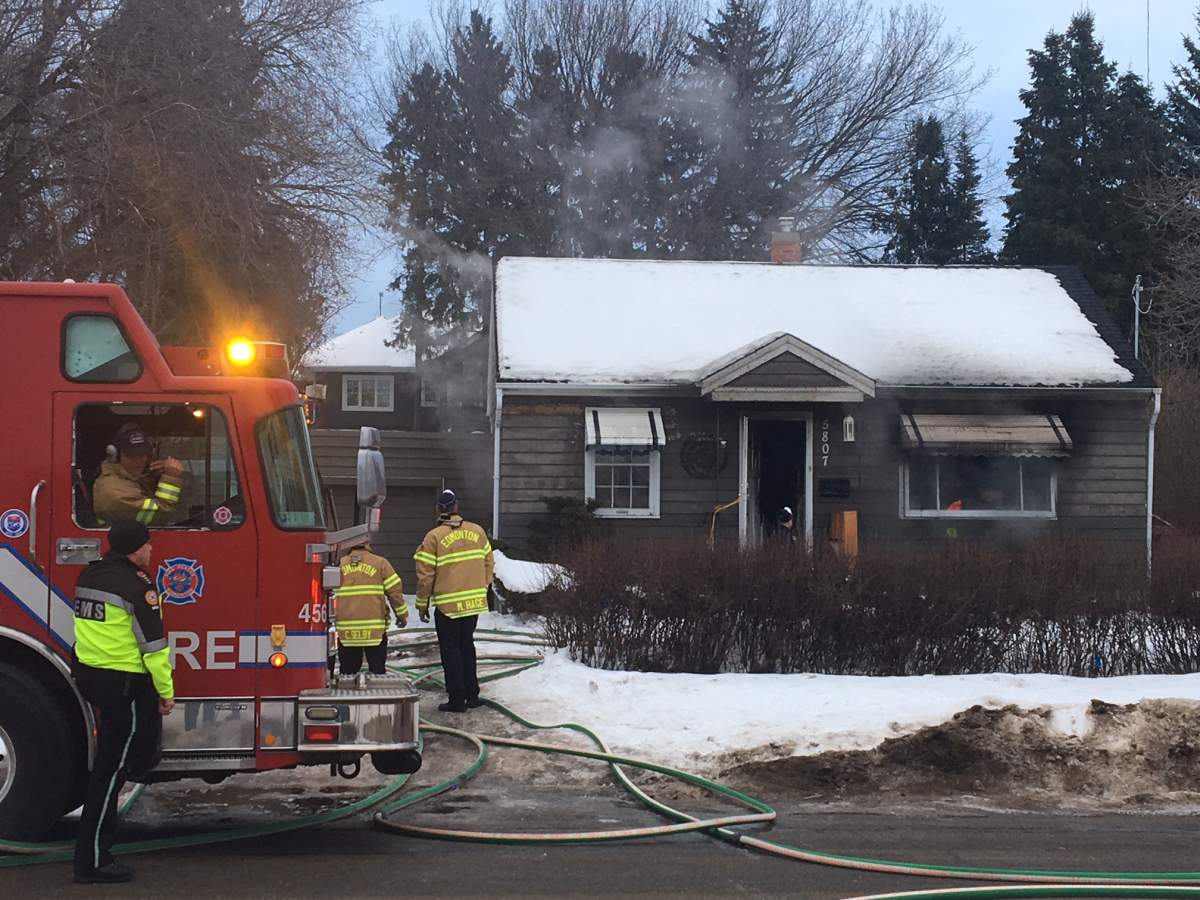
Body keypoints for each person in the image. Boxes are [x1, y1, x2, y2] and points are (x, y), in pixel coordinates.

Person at [71, 520, 174, 884]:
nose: (151, 550)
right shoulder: (138, 587)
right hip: (124, 685)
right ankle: (93, 861)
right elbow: (155, 650)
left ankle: (94, 851)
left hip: (92, 676)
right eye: (147, 545)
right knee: (110, 773)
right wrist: (166, 692)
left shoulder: (90, 575)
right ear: (133, 549)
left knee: (115, 763)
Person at [414, 489, 494, 713]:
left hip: (448, 607)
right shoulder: (477, 532)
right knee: (467, 646)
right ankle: (472, 695)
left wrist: (422, 604)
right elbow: (489, 562)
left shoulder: (433, 537)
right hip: (472, 604)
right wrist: (482, 587)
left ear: (439, 509)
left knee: (451, 651)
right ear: (456, 507)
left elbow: (425, 576)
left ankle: (457, 699)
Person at [334, 542, 408, 676]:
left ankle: (348, 694)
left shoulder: (339, 565)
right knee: (377, 672)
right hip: (375, 630)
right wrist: (402, 615)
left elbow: (329, 593)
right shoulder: (380, 563)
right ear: (367, 546)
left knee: (347, 675)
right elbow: (395, 592)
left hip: (347, 630)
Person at [92, 424, 185, 526]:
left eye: (142, 454)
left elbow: (136, 489)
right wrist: (171, 479)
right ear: (116, 456)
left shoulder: (127, 479)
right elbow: (162, 515)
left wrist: (155, 476)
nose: (139, 461)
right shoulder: (112, 490)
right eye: (132, 456)